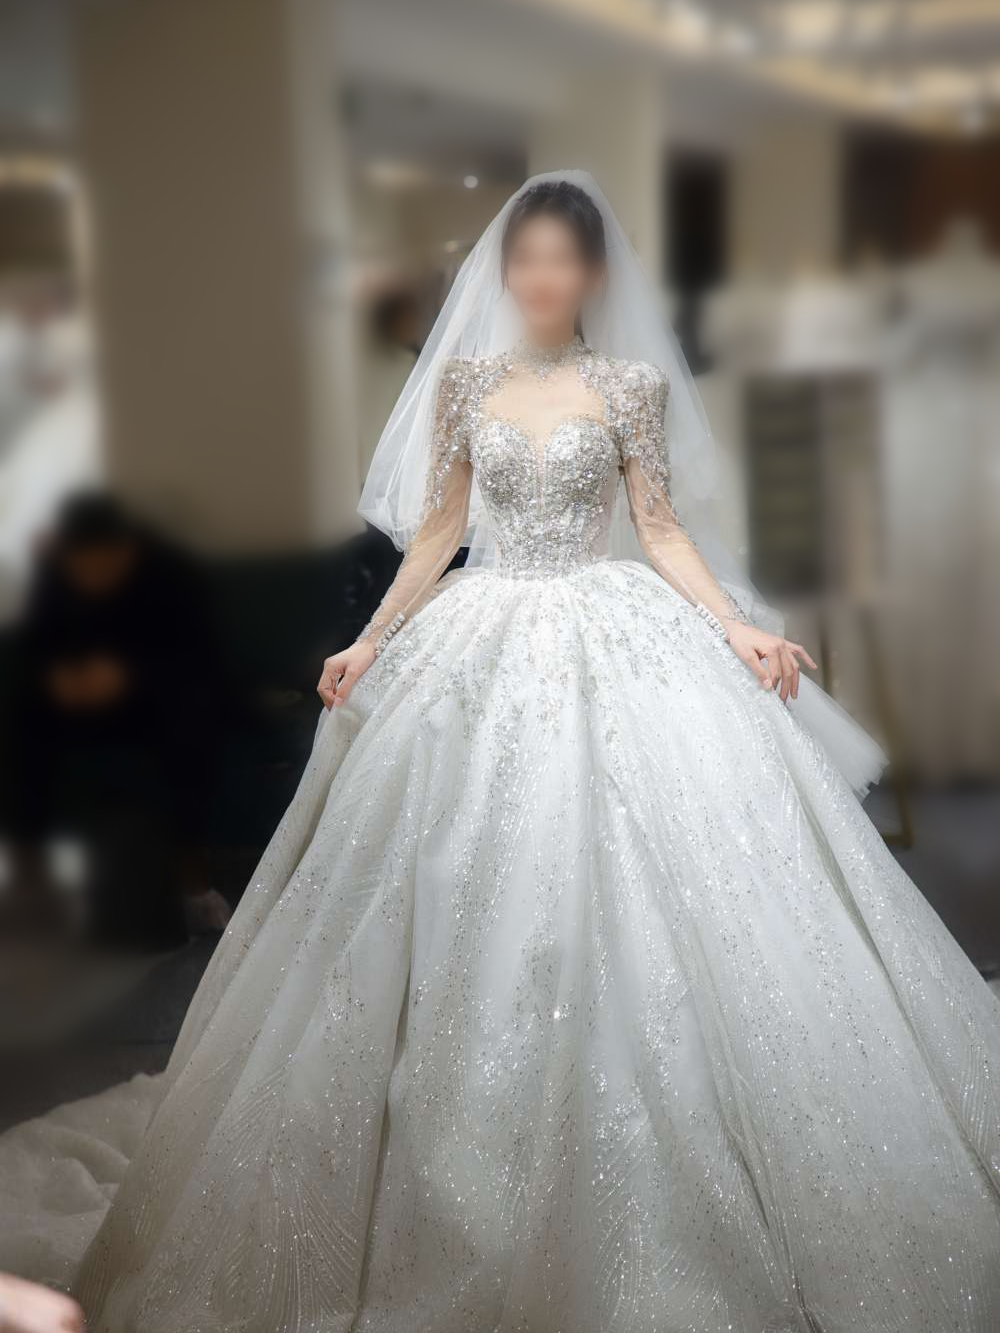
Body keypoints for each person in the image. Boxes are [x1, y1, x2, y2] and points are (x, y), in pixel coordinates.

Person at [7, 173, 999, 1331]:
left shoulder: (627, 385)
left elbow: (660, 526)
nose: (540, 279)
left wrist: (735, 626)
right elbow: (439, 530)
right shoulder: (467, 382)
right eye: (523, 259)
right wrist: (370, 640)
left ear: (592, 273)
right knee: (440, 879)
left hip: (606, 619)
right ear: (502, 268)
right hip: (479, 629)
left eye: (560, 261)